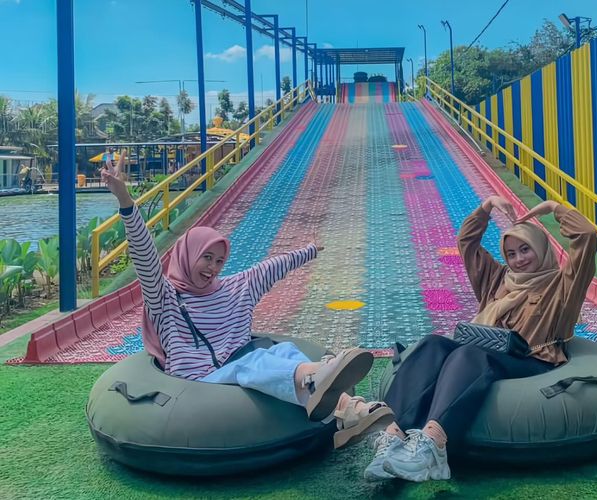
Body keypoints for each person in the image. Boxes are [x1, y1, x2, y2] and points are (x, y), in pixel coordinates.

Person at [101, 150, 393, 446]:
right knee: (253, 362)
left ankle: (350, 412)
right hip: (196, 382)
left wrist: (310, 250)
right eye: (207, 258)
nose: (213, 268)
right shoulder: (164, 297)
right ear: (187, 256)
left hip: (235, 365)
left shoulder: (233, 289)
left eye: (219, 261)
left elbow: (270, 268)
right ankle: (318, 377)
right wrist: (126, 202)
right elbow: (145, 259)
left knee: (284, 351)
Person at [364, 195, 597, 482]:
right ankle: (392, 439)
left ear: (541, 248)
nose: (519, 259)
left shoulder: (562, 286)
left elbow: (586, 237)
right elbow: (467, 243)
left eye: (525, 249)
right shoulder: (498, 279)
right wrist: (486, 207)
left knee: (468, 354)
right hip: (488, 351)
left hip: (531, 360)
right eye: (511, 253)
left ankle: (433, 447)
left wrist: (554, 208)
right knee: (433, 344)